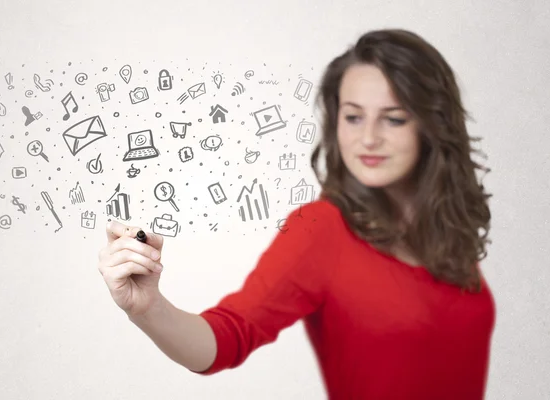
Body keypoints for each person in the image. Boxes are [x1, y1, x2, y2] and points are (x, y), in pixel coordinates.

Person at [97, 28, 496, 399]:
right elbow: (231, 334)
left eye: (393, 118)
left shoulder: (446, 230)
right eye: (353, 116)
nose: (369, 137)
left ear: (432, 125)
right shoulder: (324, 229)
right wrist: (150, 309)